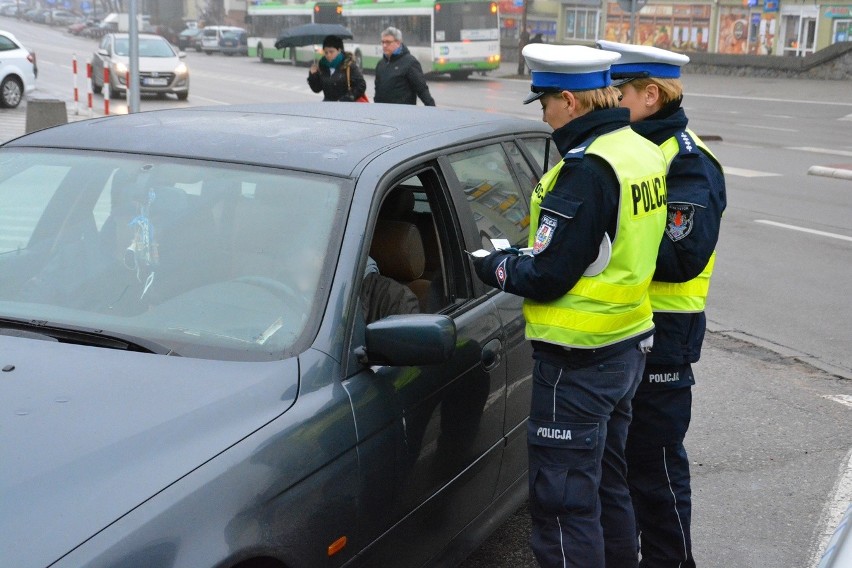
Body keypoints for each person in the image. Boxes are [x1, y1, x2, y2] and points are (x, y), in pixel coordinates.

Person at [470, 43, 668, 568]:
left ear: (570, 102)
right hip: (626, 346)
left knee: (562, 506)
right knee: (607, 488)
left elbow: (550, 273)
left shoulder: (587, 168)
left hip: (578, 361)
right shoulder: (639, 149)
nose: (543, 114)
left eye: (544, 103)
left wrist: (492, 264)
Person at [597, 40, 727, 568]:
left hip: (666, 340)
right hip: (631, 331)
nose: (611, 100)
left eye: (619, 90)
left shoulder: (688, 162)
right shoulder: (636, 151)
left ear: (650, 95)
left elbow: (681, 256)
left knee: (655, 472)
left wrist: (605, 235)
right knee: (626, 471)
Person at [374, 27, 435, 106]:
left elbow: (422, 90)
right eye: (383, 42)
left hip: (403, 113)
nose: (384, 45)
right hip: (383, 113)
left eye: (388, 42)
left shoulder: (410, 63)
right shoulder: (381, 64)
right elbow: (377, 91)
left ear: (398, 43)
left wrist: (432, 109)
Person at [307, 35, 366, 102]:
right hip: (328, 107)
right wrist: (313, 75)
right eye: (326, 52)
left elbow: (361, 85)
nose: (328, 55)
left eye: (331, 52)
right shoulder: (323, 66)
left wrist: (348, 98)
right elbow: (317, 89)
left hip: (345, 107)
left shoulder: (349, 65)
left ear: (339, 50)